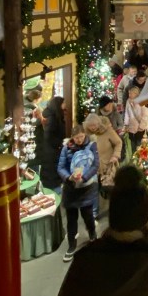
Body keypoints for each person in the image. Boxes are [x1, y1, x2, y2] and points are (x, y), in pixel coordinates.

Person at [57, 124, 100, 262]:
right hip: (71, 189)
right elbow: (60, 167)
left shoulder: (92, 146)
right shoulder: (66, 148)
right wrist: (68, 177)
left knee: (88, 215)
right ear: (72, 137)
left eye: (81, 137)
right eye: (76, 138)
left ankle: (92, 235)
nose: (79, 140)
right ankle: (71, 245)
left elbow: (95, 165)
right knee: (71, 219)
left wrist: (84, 178)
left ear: (85, 135)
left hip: (86, 188)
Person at [82, 111, 122, 194]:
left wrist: (115, 155)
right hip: (93, 168)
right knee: (94, 191)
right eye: (90, 126)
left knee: (108, 191)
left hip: (107, 166)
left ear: (99, 123)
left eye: (94, 125)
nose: (93, 128)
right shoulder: (87, 134)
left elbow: (118, 142)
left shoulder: (108, 130)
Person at [40, 94, 66, 189]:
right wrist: (60, 144)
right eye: (63, 103)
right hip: (51, 151)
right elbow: (49, 136)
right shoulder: (52, 117)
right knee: (51, 173)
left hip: (51, 150)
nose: (65, 105)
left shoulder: (52, 114)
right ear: (58, 104)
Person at [22, 77, 44, 173]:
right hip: (32, 144)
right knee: (33, 169)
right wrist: (41, 118)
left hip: (31, 144)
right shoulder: (31, 108)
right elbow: (32, 124)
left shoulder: (25, 104)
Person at [124, 85, 148, 153]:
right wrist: (126, 124)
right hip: (131, 126)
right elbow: (127, 113)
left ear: (136, 94)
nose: (129, 95)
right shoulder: (128, 101)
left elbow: (145, 115)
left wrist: (142, 126)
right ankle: (133, 156)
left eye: (131, 93)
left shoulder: (141, 101)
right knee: (132, 143)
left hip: (140, 126)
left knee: (139, 144)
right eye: (129, 93)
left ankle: (139, 156)